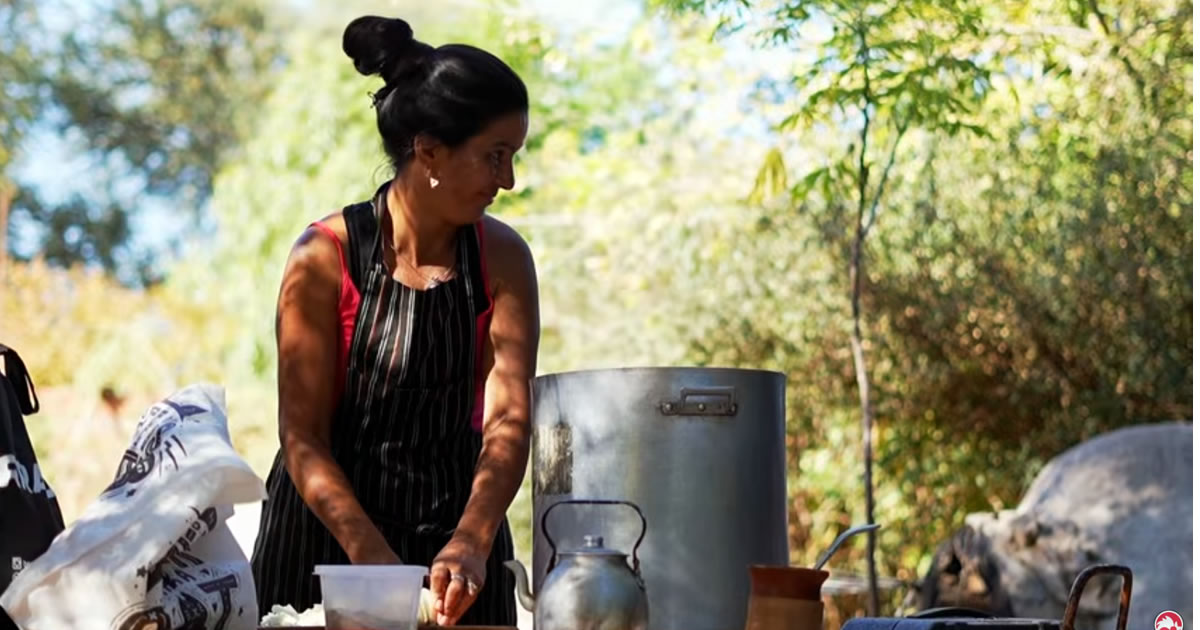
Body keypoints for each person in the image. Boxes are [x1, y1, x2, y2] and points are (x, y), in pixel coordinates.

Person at [250, 15, 539, 627]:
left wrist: (473, 539)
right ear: (429, 151)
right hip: (323, 550)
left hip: (459, 559)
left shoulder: (503, 259)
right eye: (494, 157)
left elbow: (508, 421)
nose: (508, 181)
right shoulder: (325, 257)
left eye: (512, 157)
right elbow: (302, 436)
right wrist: (377, 569)